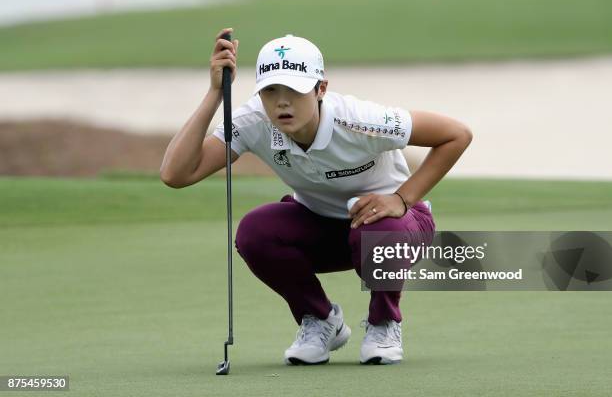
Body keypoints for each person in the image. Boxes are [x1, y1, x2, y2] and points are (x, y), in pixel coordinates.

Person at [160, 28, 472, 365]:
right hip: (322, 227)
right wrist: (214, 93)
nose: (281, 102)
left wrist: (402, 198)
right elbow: (176, 174)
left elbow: (456, 135)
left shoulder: (360, 120)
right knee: (255, 232)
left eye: (294, 90)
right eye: (270, 90)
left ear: (320, 88)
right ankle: (320, 320)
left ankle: (384, 323)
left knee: (379, 228)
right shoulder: (254, 121)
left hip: (396, 228)